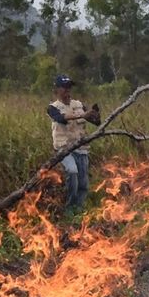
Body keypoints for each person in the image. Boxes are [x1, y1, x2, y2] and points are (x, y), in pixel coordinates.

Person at [47, 74, 99, 212]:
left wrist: (94, 113)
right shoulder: (53, 108)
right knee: (72, 171)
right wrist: (83, 115)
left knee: (83, 183)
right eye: (64, 87)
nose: (67, 90)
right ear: (57, 90)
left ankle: (79, 209)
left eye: (69, 87)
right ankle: (70, 208)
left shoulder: (79, 104)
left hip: (81, 148)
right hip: (64, 149)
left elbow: (95, 121)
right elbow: (61, 118)